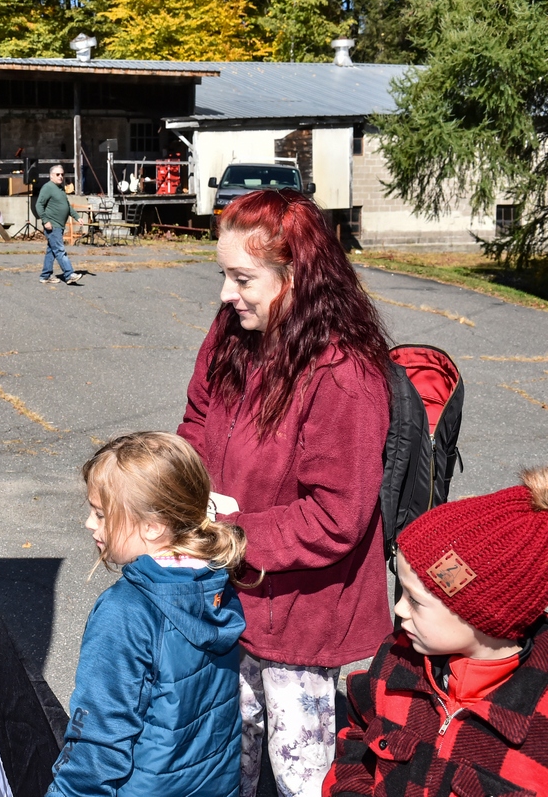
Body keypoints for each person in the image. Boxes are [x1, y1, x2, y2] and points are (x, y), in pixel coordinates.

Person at [176, 188, 393, 797]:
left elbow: (337, 516)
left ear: (295, 277)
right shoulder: (232, 331)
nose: (226, 294)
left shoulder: (343, 374)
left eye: (242, 278)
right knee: (225, 760)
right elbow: (196, 419)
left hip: (301, 614)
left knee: (303, 779)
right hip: (227, 593)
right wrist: (179, 489)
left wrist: (234, 537)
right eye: (224, 275)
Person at [324, 467, 548, 795]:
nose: (399, 610)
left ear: (481, 613)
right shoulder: (397, 657)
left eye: (415, 601)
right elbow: (359, 739)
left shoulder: (538, 724)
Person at [47, 432, 247, 797]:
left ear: (153, 526)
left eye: (102, 513)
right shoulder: (213, 582)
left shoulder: (125, 611)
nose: (90, 524)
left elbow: (100, 737)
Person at [35, 165, 83, 284]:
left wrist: (77, 217)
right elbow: (39, 205)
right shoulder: (48, 187)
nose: (61, 176)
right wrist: (45, 221)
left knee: (51, 251)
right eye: (58, 174)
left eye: (62, 174)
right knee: (60, 250)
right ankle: (69, 274)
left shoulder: (60, 188)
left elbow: (66, 206)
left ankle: (45, 276)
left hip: (59, 225)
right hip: (53, 225)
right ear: (51, 175)